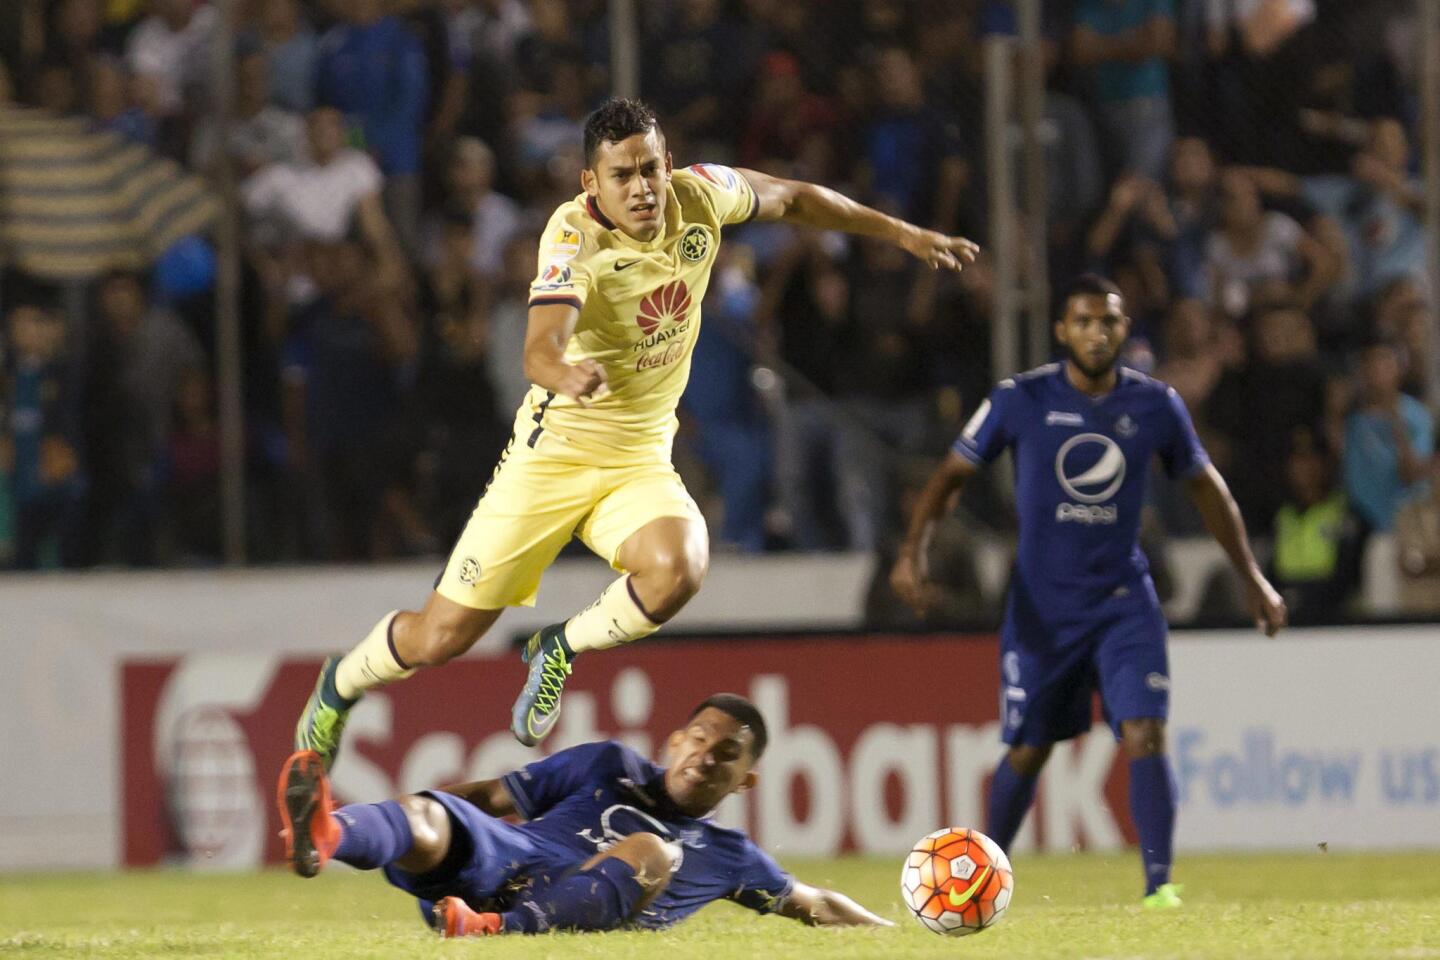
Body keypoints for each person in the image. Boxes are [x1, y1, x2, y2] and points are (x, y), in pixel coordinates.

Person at [292, 96, 978, 763]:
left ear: (667, 162)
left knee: (681, 566)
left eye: (650, 168)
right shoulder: (571, 237)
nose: (643, 188)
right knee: (438, 638)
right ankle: (339, 685)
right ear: (592, 183)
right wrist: (561, 373)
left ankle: (558, 646)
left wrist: (904, 234)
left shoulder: (701, 195)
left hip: (638, 460)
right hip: (552, 459)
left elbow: (795, 199)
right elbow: (539, 346)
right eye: (622, 175)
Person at [889, 274, 1286, 909]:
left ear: (1126, 329)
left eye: (1109, 321)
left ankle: (1160, 889)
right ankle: (980, 882)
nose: (1097, 333)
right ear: (1061, 330)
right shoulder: (1020, 399)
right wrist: (914, 551)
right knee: (1027, 751)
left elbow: (1208, 490)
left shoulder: (1156, 405)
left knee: (1144, 731)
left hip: (1123, 602)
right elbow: (950, 476)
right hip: (1042, 611)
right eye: (1084, 321)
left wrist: (1251, 577)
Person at [277, 694, 891, 935]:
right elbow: (492, 799)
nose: (705, 756)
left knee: (658, 852)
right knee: (427, 815)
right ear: (675, 741)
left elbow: (814, 903)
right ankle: (330, 834)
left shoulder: (731, 855)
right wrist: (417, 824)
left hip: (573, 905)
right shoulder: (606, 763)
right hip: (507, 865)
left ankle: (495, 931)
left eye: (726, 754)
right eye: (699, 739)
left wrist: (892, 937)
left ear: (745, 781)